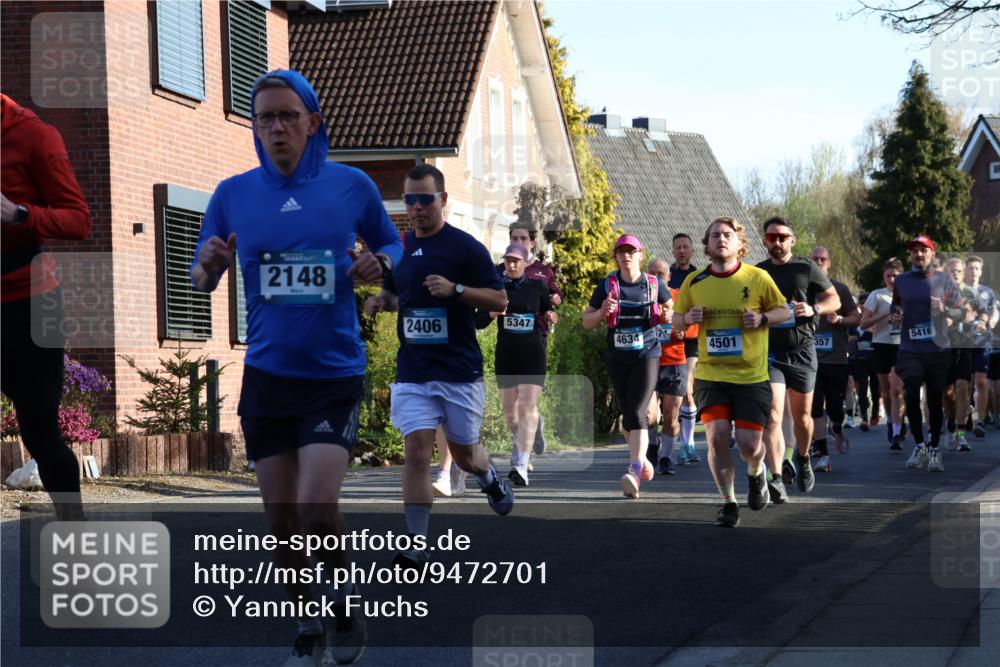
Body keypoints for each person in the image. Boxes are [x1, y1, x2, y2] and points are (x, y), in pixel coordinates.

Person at [191, 70, 401, 665]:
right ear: (255, 127)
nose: (277, 127)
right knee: (283, 527)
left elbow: (394, 244)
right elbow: (202, 277)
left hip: (333, 375)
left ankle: (342, 604)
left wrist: (379, 265)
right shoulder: (233, 193)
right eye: (265, 117)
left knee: (315, 509)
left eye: (288, 115)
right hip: (268, 377)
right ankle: (310, 624)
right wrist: (207, 265)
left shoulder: (351, 185)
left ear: (313, 121)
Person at [364, 163, 514, 567]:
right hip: (414, 370)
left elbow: (500, 301)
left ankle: (488, 477)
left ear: (443, 200)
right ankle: (415, 543)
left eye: (424, 199)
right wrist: (381, 302)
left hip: (458, 371)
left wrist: (456, 289)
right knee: (416, 451)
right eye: (408, 199)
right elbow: (397, 297)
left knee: (465, 456)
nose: (415, 207)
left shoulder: (465, 248)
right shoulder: (401, 249)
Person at [1, 93, 92, 522]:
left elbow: (78, 219)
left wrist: (19, 214)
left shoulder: (35, 136)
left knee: (40, 431)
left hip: (32, 303)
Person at [673, 217, 788, 527]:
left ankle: (756, 472)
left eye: (727, 235)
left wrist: (763, 319)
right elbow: (675, 320)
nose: (721, 239)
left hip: (751, 376)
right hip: (711, 375)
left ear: (740, 243)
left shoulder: (758, 277)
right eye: (715, 236)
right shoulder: (695, 281)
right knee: (717, 438)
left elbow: (784, 310)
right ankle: (728, 503)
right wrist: (688, 318)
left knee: (751, 446)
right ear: (707, 245)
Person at [756, 218, 840, 499]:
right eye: (772, 237)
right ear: (765, 240)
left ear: (792, 239)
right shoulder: (758, 272)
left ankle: (803, 459)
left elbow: (834, 300)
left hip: (802, 351)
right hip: (770, 353)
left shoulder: (806, 268)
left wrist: (813, 307)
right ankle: (776, 475)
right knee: (773, 415)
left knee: (803, 418)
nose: (777, 242)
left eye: (782, 237)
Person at [582, 234, 671, 498]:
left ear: (640, 255)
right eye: (621, 251)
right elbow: (586, 322)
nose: (626, 256)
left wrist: (667, 314)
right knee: (629, 417)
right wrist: (601, 312)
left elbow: (670, 309)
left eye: (631, 251)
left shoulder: (653, 284)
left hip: (647, 353)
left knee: (637, 411)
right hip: (618, 356)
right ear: (616, 256)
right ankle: (642, 459)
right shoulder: (608, 284)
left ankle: (633, 471)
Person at [476, 243, 552, 486]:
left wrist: (552, 316)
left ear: (526, 263)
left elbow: (549, 311)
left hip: (532, 354)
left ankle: (520, 464)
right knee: (511, 416)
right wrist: (492, 314)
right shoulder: (497, 288)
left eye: (516, 260)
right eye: (508, 260)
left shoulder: (537, 287)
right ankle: (535, 427)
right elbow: (477, 321)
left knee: (527, 408)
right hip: (507, 355)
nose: (512, 264)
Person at [890, 236, 966, 473]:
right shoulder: (901, 281)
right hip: (910, 348)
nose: (919, 254)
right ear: (910, 255)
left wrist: (945, 309)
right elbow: (896, 305)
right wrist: (896, 313)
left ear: (932, 254)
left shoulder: (945, 280)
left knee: (934, 399)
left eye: (923, 250)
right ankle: (919, 444)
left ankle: (934, 448)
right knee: (911, 390)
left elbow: (962, 312)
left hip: (937, 349)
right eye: (914, 251)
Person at [807, 247, 859, 472]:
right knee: (814, 405)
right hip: (810, 360)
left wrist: (839, 320)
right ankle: (823, 453)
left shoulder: (839, 289)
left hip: (836, 359)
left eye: (823, 259)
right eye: (815, 259)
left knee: (836, 407)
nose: (818, 262)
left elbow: (856, 317)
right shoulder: (802, 289)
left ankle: (836, 426)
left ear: (829, 263)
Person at [648, 258, 690, 475]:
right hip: (648, 362)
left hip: (674, 362)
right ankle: (652, 446)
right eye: (652, 273)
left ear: (669, 276)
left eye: (661, 274)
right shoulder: (641, 296)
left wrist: (681, 328)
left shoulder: (679, 297)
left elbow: (693, 327)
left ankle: (665, 457)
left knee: (671, 416)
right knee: (649, 415)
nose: (656, 278)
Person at [861, 258, 906, 450]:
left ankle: (897, 430)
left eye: (895, 275)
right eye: (888, 276)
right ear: (883, 278)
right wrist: (885, 314)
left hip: (902, 346)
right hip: (881, 345)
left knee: (897, 390)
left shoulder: (908, 296)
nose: (891, 279)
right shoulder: (876, 296)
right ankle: (891, 421)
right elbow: (863, 323)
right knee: (886, 393)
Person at [669, 233, 701, 464]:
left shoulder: (700, 276)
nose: (682, 251)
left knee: (688, 388)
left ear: (692, 250)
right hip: (671, 340)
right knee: (674, 394)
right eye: (678, 247)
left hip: (693, 340)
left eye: (685, 247)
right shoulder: (666, 277)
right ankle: (666, 439)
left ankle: (687, 444)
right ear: (673, 251)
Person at [960, 255, 998, 439]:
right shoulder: (959, 291)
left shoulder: (988, 292)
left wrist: (990, 321)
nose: (973, 271)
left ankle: (980, 421)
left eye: (976, 268)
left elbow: (995, 312)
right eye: (970, 268)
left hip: (983, 342)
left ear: (980, 271)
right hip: (963, 342)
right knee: (964, 383)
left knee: (981, 382)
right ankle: (965, 415)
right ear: (965, 270)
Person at [848, 292, 881, 433]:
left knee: (875, 388)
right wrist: (851, 338)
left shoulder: (876, 319)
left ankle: (875, 412)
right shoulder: (855, 321)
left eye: (865, 303)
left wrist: (871, 329)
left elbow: (882, 333)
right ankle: (864, 418)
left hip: (875, 358)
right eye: (861, 303)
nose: (863, 305)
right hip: (859, 358)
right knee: (862, 388)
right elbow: (849, 334)